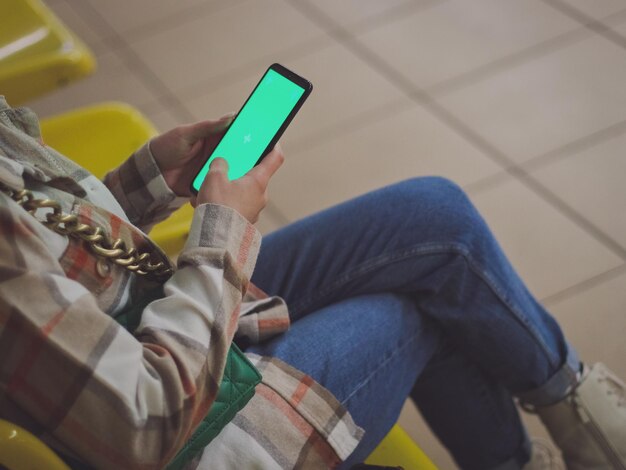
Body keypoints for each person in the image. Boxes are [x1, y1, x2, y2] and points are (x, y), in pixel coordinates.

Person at [0, 95, 624, 470]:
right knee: (418, 309)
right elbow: (145, 423)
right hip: (204, 434)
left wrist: (151, 178)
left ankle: (574, 406)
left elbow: (54, 242)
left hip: (154, 317)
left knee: (435, 214)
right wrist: (221, 232)